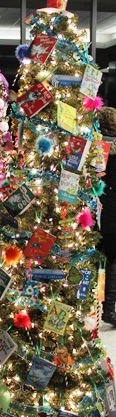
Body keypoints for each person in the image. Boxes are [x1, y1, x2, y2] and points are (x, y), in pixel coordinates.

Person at [98, 106, 116, 326]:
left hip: (96, 206)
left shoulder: (94, 147)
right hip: (114, 208)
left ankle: (93, 307)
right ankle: (109, 309)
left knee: (98, 259)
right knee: (113, 261)